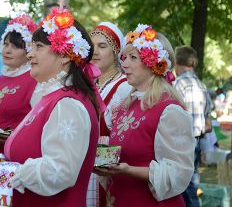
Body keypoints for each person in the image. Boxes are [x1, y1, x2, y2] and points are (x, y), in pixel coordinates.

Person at [4, 7, 103, 207]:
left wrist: (7, 172)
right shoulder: (53, 97)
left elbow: (60, 171)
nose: (30, 54)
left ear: (65, 56)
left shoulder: (68, 104)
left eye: (38, 46)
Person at [94, 24, 194, 206]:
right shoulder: (129, 104)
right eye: (124, 57)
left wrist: (129, 170)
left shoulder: (169, 111)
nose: (124, 64)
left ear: (154, 64)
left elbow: (178, 173)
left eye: (133, 58)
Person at [0, 14, 40, 153]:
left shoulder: (36, 82)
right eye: (6, 44)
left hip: (19, 160)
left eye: (16, 46)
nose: (7, 50)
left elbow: (39, 128)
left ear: (29, 52)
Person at [87, 22, 132, 207]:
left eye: (102, 46)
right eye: (92, 46)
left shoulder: (125, 86)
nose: (95, 51)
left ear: (115, 52)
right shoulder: (88, 85)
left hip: (108, 165)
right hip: (86, 162)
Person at [174, 45, 213, 207]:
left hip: (181, 141)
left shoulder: (178, 85)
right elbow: (208, 118)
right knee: (193, 181)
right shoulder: (202, 86)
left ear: (177, 63)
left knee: (183, 186)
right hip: (197, 140)